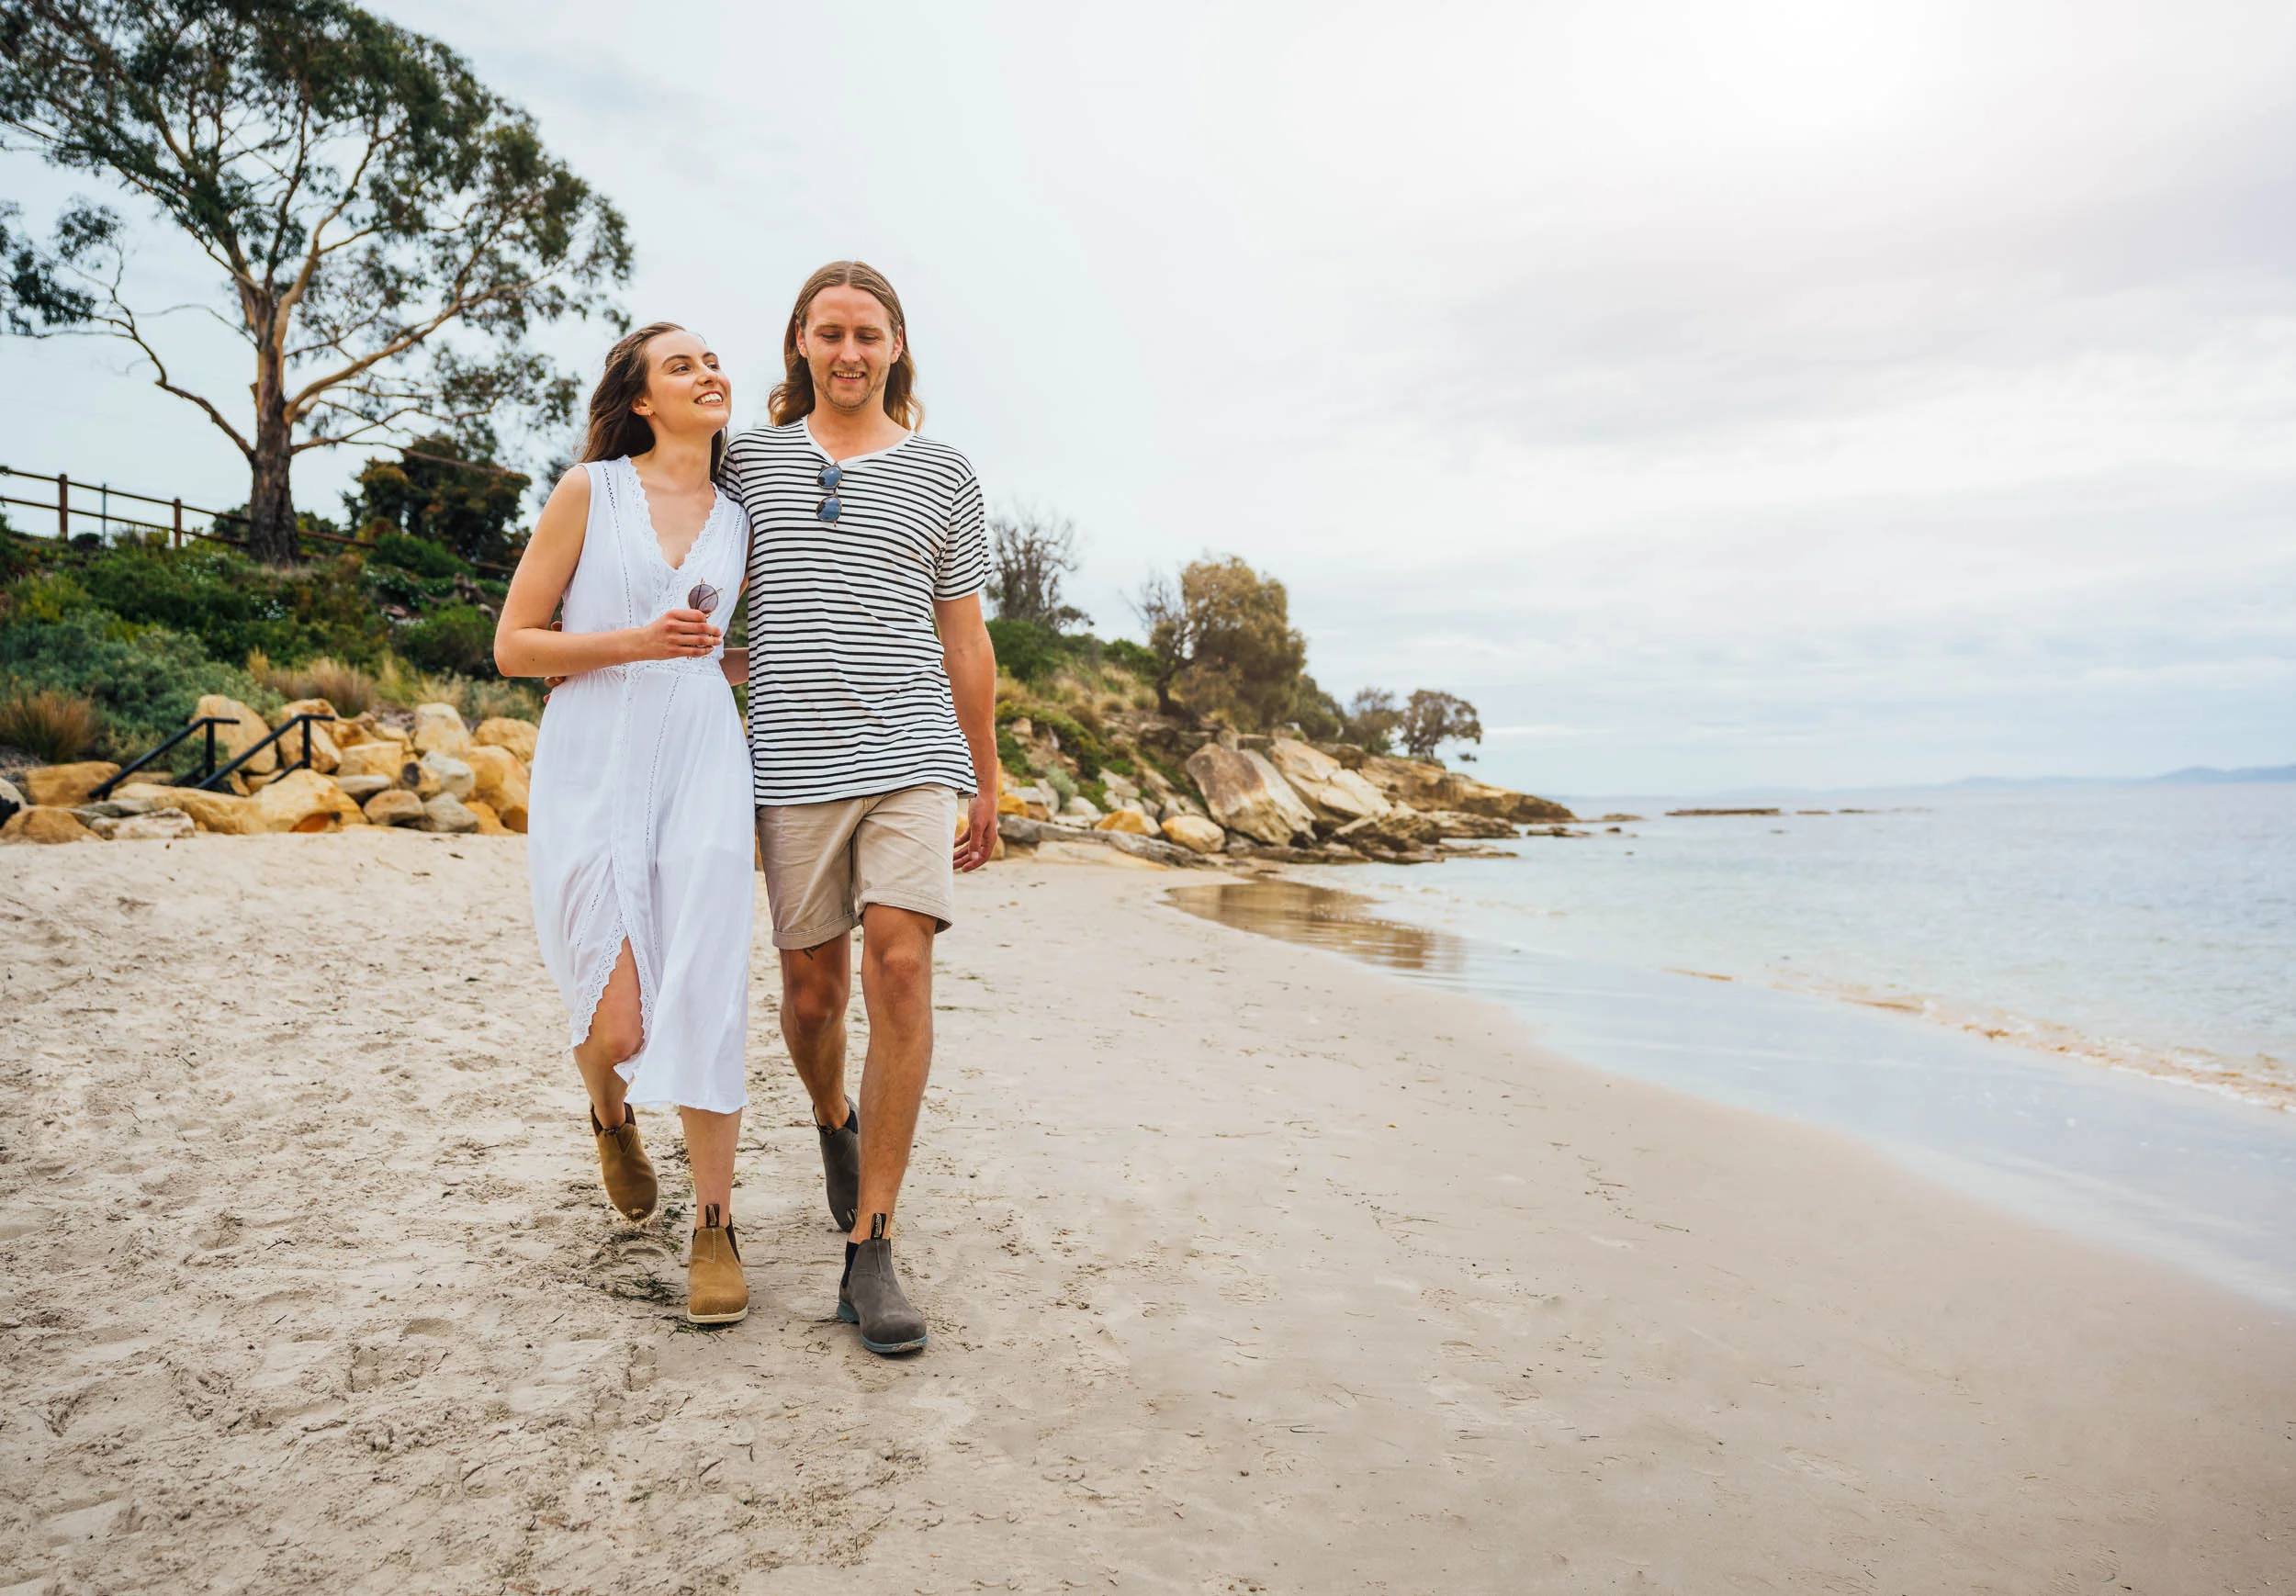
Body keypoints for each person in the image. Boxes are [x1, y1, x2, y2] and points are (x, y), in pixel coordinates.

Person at [720, 261, 998, 1355]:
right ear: (798, 342)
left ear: (895, 348)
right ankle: (833, 1119)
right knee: (809, 991)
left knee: (899, 965)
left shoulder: (942, 472)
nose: (848, 352)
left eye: (867, 334)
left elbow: (965, 636)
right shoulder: (749, 463)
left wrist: (984, 772)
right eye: (828, 332)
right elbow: (682, 567)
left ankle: (870, 1247)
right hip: (789, 761)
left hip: (912, 751)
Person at [494, 322, 757, 1327]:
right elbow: (515, 645)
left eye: (713, 360)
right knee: (620, 1026)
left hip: (701, 757)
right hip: (593, 758)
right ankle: (610, 1115)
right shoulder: (588, 493)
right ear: (641, 399)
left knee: (705, 983)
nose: (708, 373)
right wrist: (637, 640)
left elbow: (728, 651)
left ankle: (715, 1224)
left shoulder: (741, 516)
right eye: (682, 364)